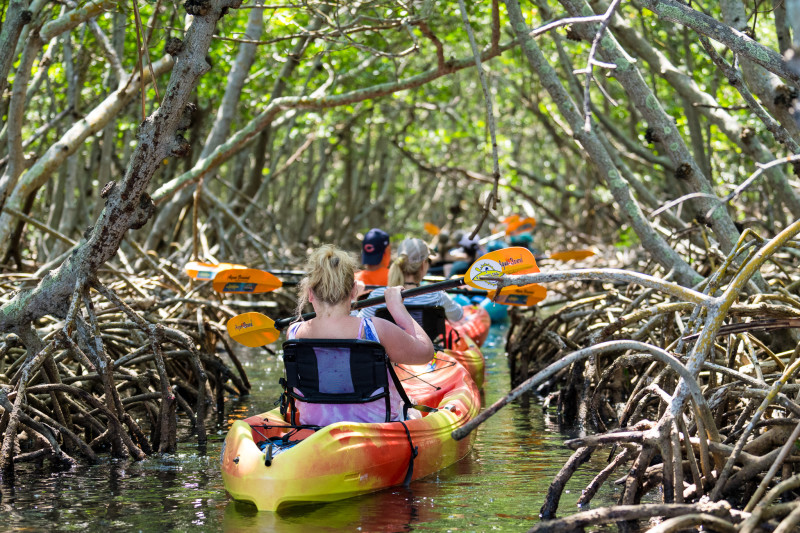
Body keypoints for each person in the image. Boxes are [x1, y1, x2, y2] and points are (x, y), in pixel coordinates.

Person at [286, 245, 433, 425]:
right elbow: (425, 353)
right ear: (354, 290)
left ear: (310, 294)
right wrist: (398, 309)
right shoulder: (376, 329)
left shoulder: (293, 333)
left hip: (314, 423)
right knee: (412, 409)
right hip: (375, 424)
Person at [358, 238, 464, 322]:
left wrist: (353, 299)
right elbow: (458, 316)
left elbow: (359, 323)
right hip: (427, 349)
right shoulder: (437, 296)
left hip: (388, 350)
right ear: (423, 265)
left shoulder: (378, 296)